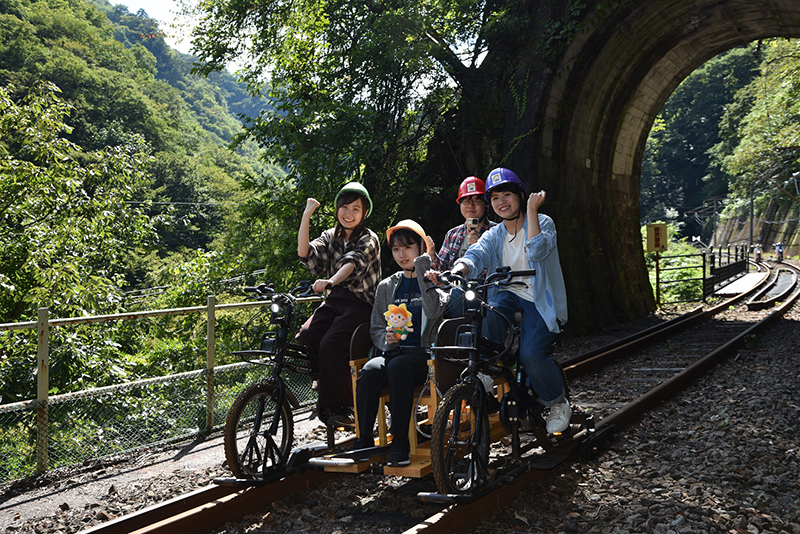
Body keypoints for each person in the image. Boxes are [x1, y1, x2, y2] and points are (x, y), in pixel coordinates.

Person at [426, 167, 571, 434]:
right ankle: (484, 370)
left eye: (507, 195)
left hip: (539, 300)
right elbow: (476, 254)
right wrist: (458, 269)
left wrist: (532, 211)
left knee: (531, 354)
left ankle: (557, 402)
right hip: (507, 294)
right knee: (488, 310)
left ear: (520, 195)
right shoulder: (494, 234)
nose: (501, 202)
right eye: (495, 198)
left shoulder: (543, 222)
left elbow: (537, 251)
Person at [352, 220, 449, 466]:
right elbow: (376, 326)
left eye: (407, 247)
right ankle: (364, 440)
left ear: (421, 247)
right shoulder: (387, 285)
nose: (401, 254)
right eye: (396, 249)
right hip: (393, 353)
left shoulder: (435, 280)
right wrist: (386, 339)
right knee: (369, 370)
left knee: (398, 367)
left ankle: (400, 441)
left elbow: (434, 311)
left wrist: (424, 265)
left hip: (425, 358)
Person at [296, 182, 382, 424]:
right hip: (335, 300)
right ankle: (323, 380)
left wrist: (331, 281)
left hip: (361, 304)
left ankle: (344, 408)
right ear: (337, 210)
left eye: (356, 209)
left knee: (331, 345)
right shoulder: (330, 236)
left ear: (365, 213)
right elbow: (305, 253)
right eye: (344, 207)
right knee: (305, 336)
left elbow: (352, 263)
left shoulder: (369, 238)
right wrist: (306, 215)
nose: (349, 214)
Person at [430, 176, 497, 272]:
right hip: (455, 281)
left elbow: (501, 268)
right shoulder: (452, 234)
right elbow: (442, 271)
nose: (470, 205)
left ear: (486, 204)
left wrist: (480, 249)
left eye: (476, 201)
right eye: (466, 201)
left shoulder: (496, 232)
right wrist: (432, 256)